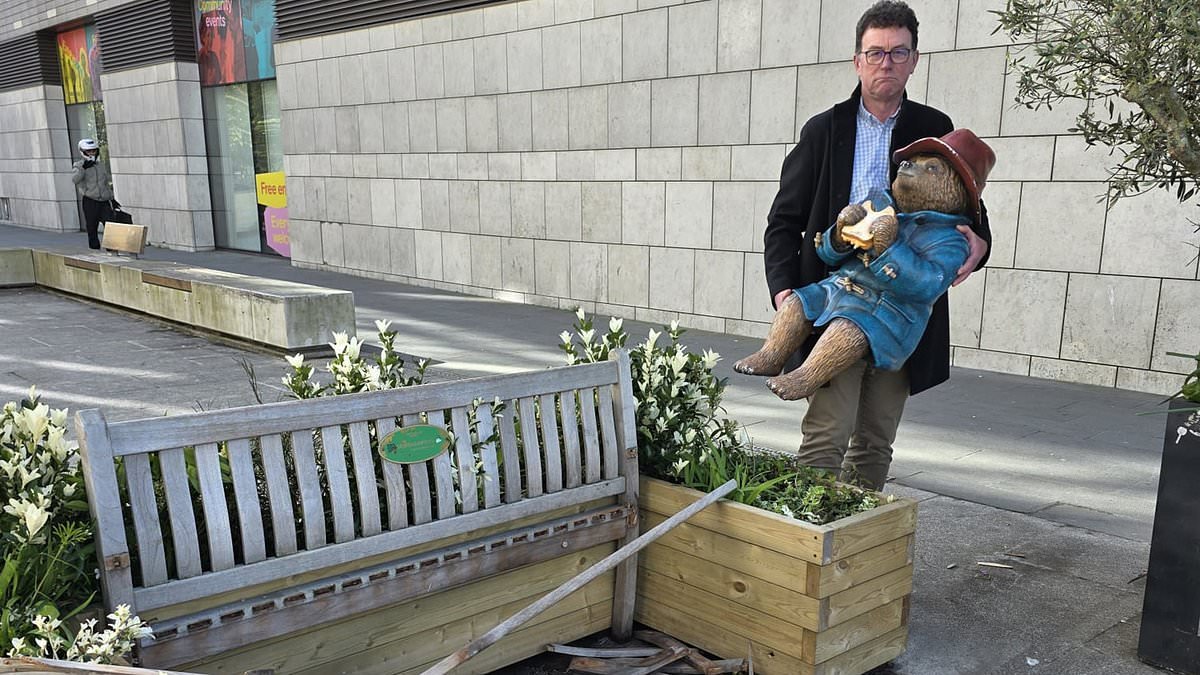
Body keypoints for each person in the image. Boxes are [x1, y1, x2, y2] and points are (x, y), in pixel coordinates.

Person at [761, 0, 992, 490]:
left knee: (876, 439)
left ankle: (856, 543)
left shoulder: (933, 127)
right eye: (875, 52)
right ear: (857, 60)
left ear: (914, 59)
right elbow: (784, 220)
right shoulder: (824, 130)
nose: (886, 62)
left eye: (897, 52)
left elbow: (967, 209)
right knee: (828, 432)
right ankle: (810, 539)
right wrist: (784, 290)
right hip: (836, 295)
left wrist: (980, 243)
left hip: (901, 306)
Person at [71, 138, 114, 250]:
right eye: (89, 151)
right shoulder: (78, 165)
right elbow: (75, 179)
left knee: (110, 224)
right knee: (92, 227)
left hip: (104, 200)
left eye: (94, 151)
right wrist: (83, 169)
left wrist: (111, 197)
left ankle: (111, 249)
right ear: (83, 152)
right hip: (90, 200)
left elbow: (105, 182)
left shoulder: (100, 165)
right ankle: (95, 250)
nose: (92, 153)